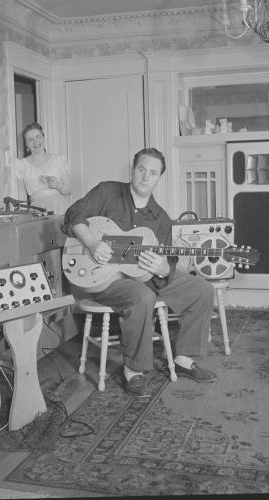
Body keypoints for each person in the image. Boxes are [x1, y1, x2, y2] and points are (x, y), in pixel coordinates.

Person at [62, 147, 217, 398]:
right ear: (133, 170)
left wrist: (164, 267)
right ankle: (133, 371)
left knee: (202, 290)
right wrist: (91, 242)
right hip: (103, 277)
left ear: (159, 178)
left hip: (145, 277)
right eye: (141, 170)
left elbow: (169, 262)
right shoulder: (107, 192)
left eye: (153, 173)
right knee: (144, 296)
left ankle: (183, 359)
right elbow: (73, 214)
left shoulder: (161, 219)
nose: (146, 177)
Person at [13, 122, 71, 214]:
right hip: (36, 210)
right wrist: (22, 216)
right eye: (30, 140)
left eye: (38, 137)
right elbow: (22, 195)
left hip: (59, 208)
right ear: (26, 144)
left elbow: (68, 190)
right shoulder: (21, 165)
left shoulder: (58, 160)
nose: (36, 142)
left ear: (43, 138)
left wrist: (57, 185)